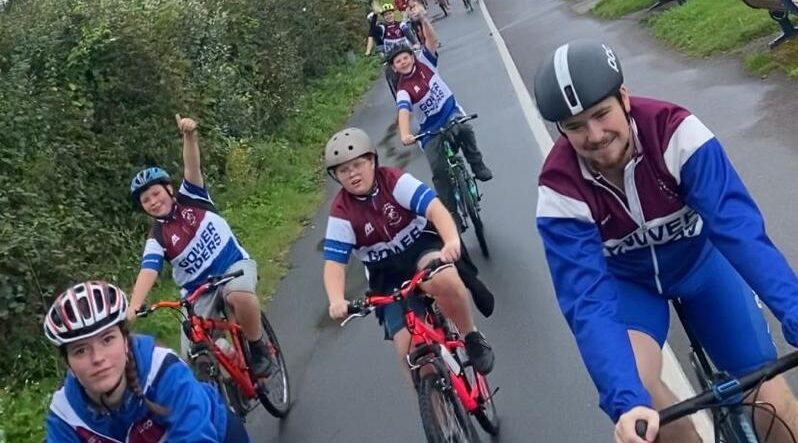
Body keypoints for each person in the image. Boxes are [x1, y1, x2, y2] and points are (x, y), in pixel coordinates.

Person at [533, 38, 798, 443]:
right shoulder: (559, 189)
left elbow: (740, 232)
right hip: (630, 286)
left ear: (624, 97)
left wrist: (794, 310)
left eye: (602, 114)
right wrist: (626, 401)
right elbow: (587, 299)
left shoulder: (676, 133)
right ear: (560, 130)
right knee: (643, 405)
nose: (595, 135)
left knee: (768, 395)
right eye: (574, 127)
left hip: (701, 266)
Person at [321, 127, 495, 381]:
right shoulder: (341, 212)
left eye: (358, 164)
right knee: (407, 352)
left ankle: (471, 336)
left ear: (372, 161)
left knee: (445, 279)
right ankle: (434, 412)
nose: (352, 174)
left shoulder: (393, 181)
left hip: (420, 248)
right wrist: (336, 299)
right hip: (386, 275)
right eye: (343, 170)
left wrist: (450, 242)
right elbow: (334, 265)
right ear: (336, 176)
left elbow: (435, 210)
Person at [126, 115, 273, 378]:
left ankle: (257, 347)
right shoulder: (157, 236)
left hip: (232, 267)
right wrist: (133, 308)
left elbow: (192, 165)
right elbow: (148, 269)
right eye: (146, 200)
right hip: (197, 292)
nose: (153, 201)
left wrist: (189, 136)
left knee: (239, 295)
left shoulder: (192, 196)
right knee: (193, 352)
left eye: (156, 193)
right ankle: (232, 372)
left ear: (169, 190)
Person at [44, 281, 250, 442]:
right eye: (81, 350)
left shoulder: (163, 370)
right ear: (68, 363)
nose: (98, 358)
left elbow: (194, 437)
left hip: (219, 433)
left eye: (107, 340)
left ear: (125, 341)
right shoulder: (64, 415)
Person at [391, 13, 493, 229]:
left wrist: (424, 21)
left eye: (405, 57)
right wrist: (405, 134)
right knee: (438, 170)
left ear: (412, 56)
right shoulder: (402, 90)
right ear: (394, 67)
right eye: (398, 61)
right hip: (429, 129)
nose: (403, 62)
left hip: (450, 113)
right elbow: (403, 112)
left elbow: (431, 40)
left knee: (464, 128)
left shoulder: (425, 62)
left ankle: (477, 164)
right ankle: (452, 213)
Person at [366, 3, 420, 99]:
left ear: (393, 14)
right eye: (386, 15)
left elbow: (408, 34)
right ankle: (399, 96)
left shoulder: (401, 25)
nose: (389, 16)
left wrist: (415, 43)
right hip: (391, 58)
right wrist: (375, 15)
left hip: (405, 53)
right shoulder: (383, 28)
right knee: (390, 74)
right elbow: (373, 30)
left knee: (419, 67)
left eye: (390, 13)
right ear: (383, 17)